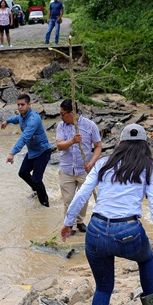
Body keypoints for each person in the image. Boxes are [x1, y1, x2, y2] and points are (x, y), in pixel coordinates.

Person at [59, 124, 153, 305]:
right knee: (145, 260)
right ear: (145, 145)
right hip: (128, 231)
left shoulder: (103, 163)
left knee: (104, 287)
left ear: (120, 143)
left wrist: (68, 222)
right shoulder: (149, 167)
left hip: (95, 231)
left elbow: (82, 193)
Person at [55, 99, 102, 235]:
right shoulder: (61, 126)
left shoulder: (89, 125)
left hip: (84, 169)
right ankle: (70, 225)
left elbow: (98, 146)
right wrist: (72, 141)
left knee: (83, 198)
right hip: (67, 169)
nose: (61, 116)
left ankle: (80, 221)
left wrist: (92, 162)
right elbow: (59, 145)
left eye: (63, 114)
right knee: (68, 200)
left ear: (73, 113)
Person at [1, 93, 52, 207]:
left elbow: (24, 137)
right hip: (33, 151)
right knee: (23, 173)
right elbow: (16, 119)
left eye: (22, 105)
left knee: (37, 179)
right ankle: (36, 191)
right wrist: (7, 121)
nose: (20, 107)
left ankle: (45, 204)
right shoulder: (22, 115)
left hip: (42, 151)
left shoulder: (33, 119)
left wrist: (12, 153)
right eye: (18, 105)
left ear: (29, 104)